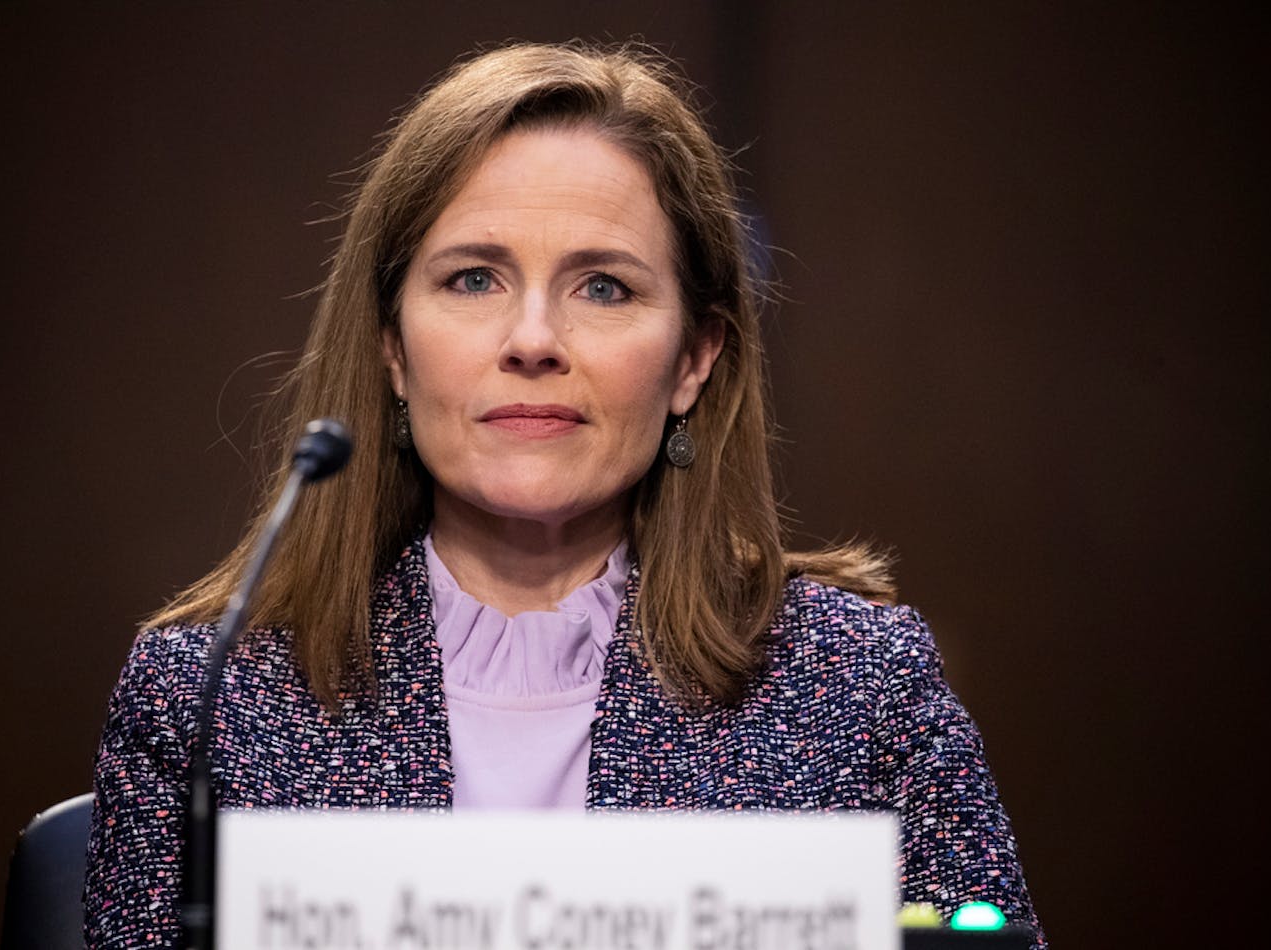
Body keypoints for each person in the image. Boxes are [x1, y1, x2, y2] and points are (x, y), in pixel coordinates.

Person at [84, 41, 1044, 948]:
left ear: (694, 361)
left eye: (604, 289)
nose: (533, 339)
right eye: (472, 279)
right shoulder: (209, 697)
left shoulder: (859, 686)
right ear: (391, 348)